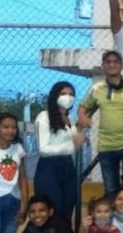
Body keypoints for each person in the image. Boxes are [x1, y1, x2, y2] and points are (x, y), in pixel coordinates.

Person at [78, 50, 123, 198]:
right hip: (106, 145)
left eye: (116, 62)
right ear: (103, 66)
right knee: (110, 188)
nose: (112, 65)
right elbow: (82, 106)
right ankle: (113, 212)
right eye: (108, 62)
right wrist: (82, 117)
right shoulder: (96, 88)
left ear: (122, 66)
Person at [33, 81, 86, 221]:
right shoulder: (44, 116)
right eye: (63, 93)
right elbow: (43, 149)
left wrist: (81, 135)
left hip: (68, 167)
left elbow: (74, 139)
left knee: (68, 209)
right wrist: (72, 146)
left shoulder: (70, 118)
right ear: (54, 96)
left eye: (71, 94)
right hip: (49, 168)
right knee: (52, 211)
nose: (68, 97)